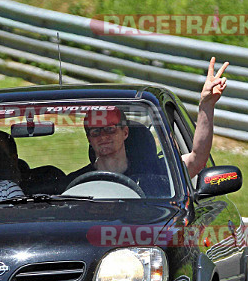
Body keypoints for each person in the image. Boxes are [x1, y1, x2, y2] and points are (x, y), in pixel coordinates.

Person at [67, 56, 228, 185]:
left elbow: (197, 159)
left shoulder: (159, 173)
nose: (103, 136)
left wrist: (206, 105)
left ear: (125, 132)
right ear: (89, 138)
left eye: (110, 129)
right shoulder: (75, 183)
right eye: (95, 131)